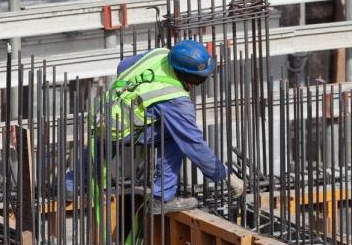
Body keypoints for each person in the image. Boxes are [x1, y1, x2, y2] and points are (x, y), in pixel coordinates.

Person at [68, 40, 245, 214]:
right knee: (176, 137)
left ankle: (71, 184)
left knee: (105, 138)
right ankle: (162, 197)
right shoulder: (176, 100)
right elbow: (194, 145)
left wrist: (138, 95)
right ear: (186, 75)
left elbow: (123, 66)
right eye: (200, 79)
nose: (201, 82)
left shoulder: (160, 54)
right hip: (123, 129)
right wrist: (225, 176)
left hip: (104, 114)